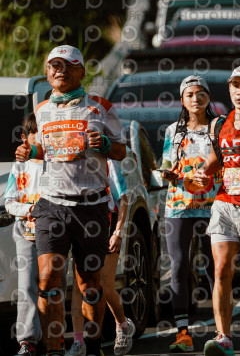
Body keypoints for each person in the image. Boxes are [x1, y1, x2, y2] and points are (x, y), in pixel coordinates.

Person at [15, 45, 127, 356]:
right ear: (47, 72)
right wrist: (30, 151)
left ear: (81, 71)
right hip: (51, 204)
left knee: (89, 284)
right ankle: (54, 350)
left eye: (66, 65)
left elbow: (121, 151)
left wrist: (105, 144)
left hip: (91, 205)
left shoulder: (100, 106)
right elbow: (46, 150)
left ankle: (92, 346)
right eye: (54, 66)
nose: (59, 71)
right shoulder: (42, 110)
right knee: (48, 280)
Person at [192, 65, 240, 356]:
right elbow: (216, 159)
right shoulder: (219, 123)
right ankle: (223, 337)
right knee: (222, 269)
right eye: (235, 85)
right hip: (225, 204)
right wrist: (202, 173)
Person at [160, 76, 219, 352]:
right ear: (182, 100)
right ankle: (182, 334)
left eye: (200, 93)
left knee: (215, 267)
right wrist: (166, 174)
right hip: (178, 205)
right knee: (179, 266)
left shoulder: (219, 127)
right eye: (190, 94)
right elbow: (166, 165)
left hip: (213, 204)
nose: (196, 99)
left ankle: (222, 332)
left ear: (208, 97)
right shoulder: (173, 130)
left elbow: (227, 160)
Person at [67, 159, 134, 356]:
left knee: (104, 283)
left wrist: (118, 232)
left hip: (107, 225)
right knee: (80, 286)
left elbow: (123, 198)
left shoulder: (108, 163)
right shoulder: (72, 162)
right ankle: (79, 341)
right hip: (82, 228)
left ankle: (122, 325)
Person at [6, 114, 57, 356]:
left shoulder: (55, 163)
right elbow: (9, 202)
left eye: (45, 133)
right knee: (27, 285)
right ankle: (27, 341)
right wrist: (29, 210)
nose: (40, 138)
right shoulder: (20, 166)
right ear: (25, 137)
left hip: (54, 232)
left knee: (53, 286)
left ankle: (55, 339)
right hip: (25, 231)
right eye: (36, 133)